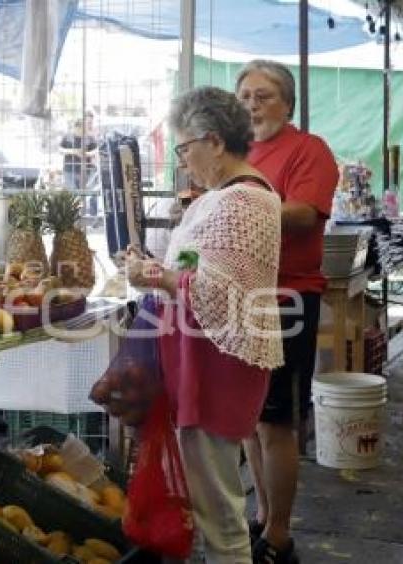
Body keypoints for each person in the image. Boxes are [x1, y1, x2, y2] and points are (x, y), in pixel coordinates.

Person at [125, 86, 284, 563]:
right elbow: (200, 275)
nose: (184, 160)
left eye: (185, 148)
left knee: (220, 513)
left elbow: (217, 291)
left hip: (216, 369)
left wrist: (150, 274)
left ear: (214, 141)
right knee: (213, 500)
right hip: (204, 362)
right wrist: (154, 270)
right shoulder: (222, 198)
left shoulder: (243, 201)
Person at [236, 60, 339, 564]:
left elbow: (302, 214)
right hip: (238, 296)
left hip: (286, 299)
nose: (252, 105)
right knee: (248, 419)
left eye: (264, 95)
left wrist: (234, 208)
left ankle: (279, 536)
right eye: (245, 96)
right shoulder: (236, 154)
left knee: (276, 421)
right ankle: (261, 516)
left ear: (288, 104)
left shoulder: (308, 150)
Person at [59, 113, 98, 215]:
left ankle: (90, 217)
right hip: (69, 170)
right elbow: (60, 149)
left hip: (86, 171)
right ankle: (73, 217)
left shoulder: (89, 138)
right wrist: (73, 151)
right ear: (76, 127)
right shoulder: (67, 137)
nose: (82, 131)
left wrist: (87, 154)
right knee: (72, 195)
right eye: (80, 128)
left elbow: (96, 150)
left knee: (87, 194)